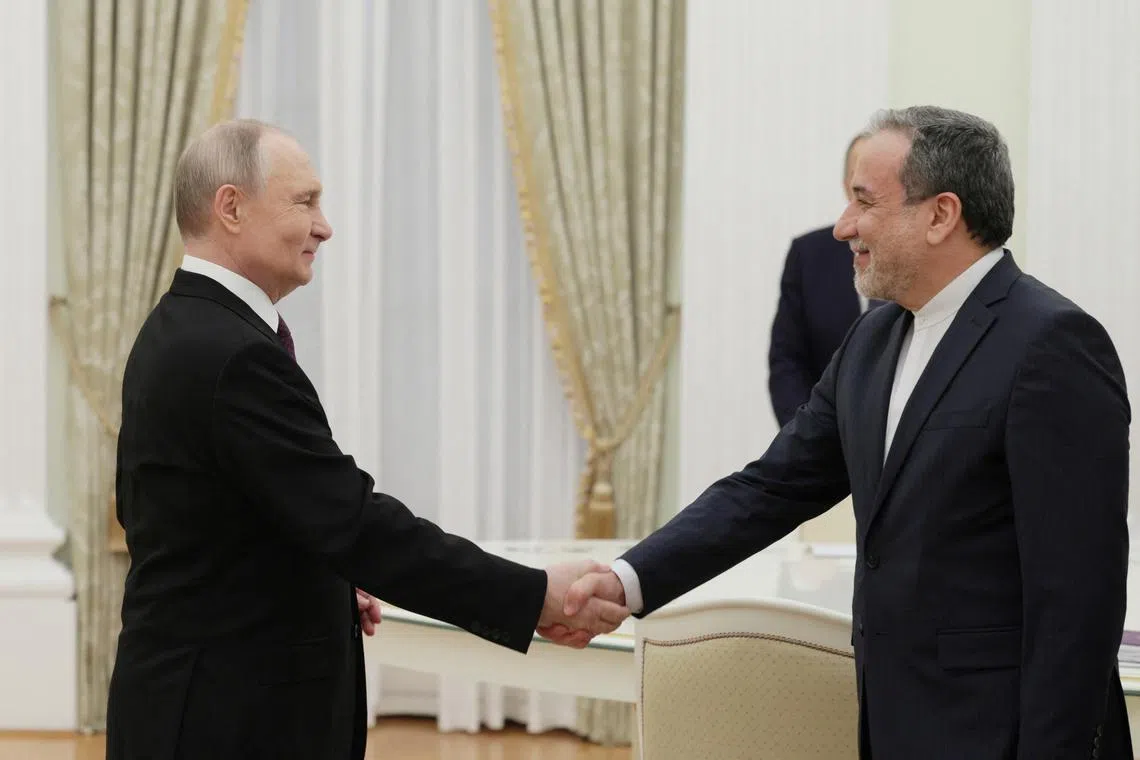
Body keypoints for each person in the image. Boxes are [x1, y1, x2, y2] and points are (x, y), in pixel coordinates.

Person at [562, 106, 1133, 758]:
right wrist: (627, 579)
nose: (842, 227)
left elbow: (1077, 604)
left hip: (1003, 736)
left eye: (863, 202)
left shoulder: (1051, 343)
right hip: (893, 723)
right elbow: (769, 487)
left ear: (940, 215)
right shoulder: (873, 338)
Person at [105, 119, 627, 760]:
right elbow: (354, 524)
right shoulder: (229, 353)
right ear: (231, 207)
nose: (325, 226)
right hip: (226, 720)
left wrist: (315, 578)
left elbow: (199, 518)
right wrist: (536, 593)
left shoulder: (181, 328)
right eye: (305, 201)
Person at [769, 133, 884, 427]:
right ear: (847, 186)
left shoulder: (917, 254)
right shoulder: (809, 255)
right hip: (823, 440)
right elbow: (787, 362)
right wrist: (806, 438)